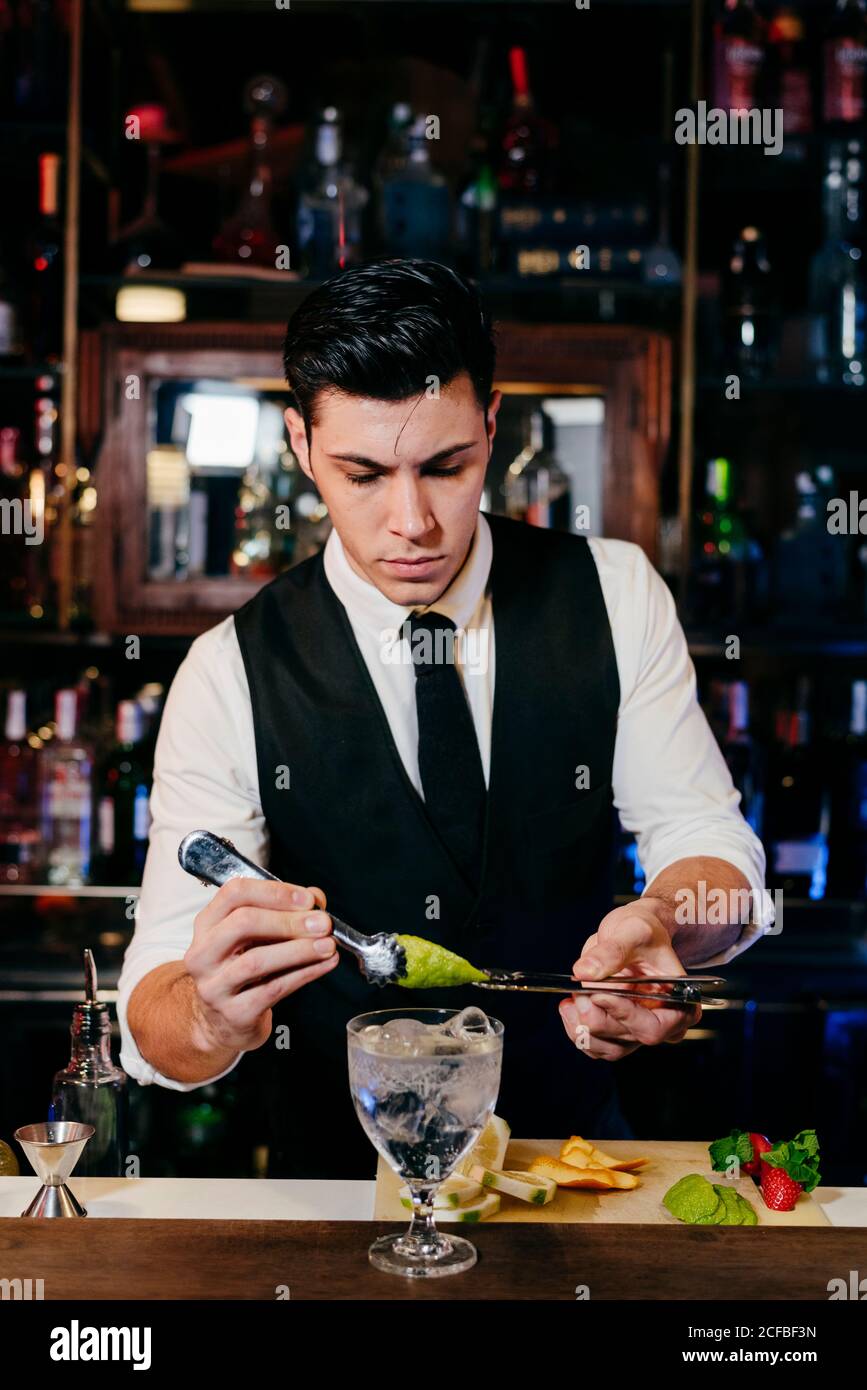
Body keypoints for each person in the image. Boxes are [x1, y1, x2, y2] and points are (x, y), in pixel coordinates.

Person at [119, 259, 774, 1177]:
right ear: (302, 447)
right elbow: (152, 1020)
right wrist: (210, 1011)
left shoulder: (614, 594)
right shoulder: (228, 672)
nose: (412, 521)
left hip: (571, 1169)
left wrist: (664, 923)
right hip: (339, 1201)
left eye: (445, 465)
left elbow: (713, 846)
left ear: (492, 427)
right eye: (362, 474)